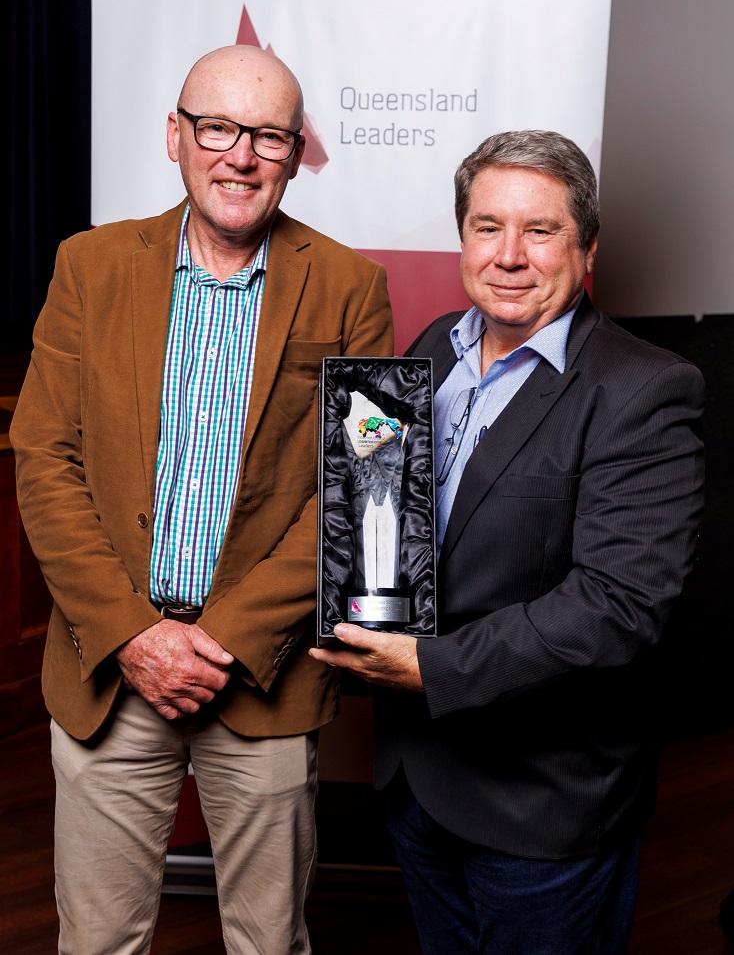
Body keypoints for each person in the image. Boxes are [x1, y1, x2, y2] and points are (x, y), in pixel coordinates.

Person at [11, 44, 393, 955]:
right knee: (98, 942)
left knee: (269, 942)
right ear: (174, 136)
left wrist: (218, 641)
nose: (241, 156)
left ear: (296, 154)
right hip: (110, 668)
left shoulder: (353, 287)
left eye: (269, 136)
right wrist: (135, 636)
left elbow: (363, 485)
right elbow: (44, 457)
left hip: (262, 676)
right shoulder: (88, 266)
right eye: (218, 128)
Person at [310, 130, 704, 955]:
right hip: (419, 777)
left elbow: (619, 606)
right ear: (463, 238)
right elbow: (400, 530)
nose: (510, 255)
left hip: (543, 804)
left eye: (541, 230)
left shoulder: (644, 388)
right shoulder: (432, 350)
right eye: (487, 226)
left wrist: (432, 667)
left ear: (588, 248)